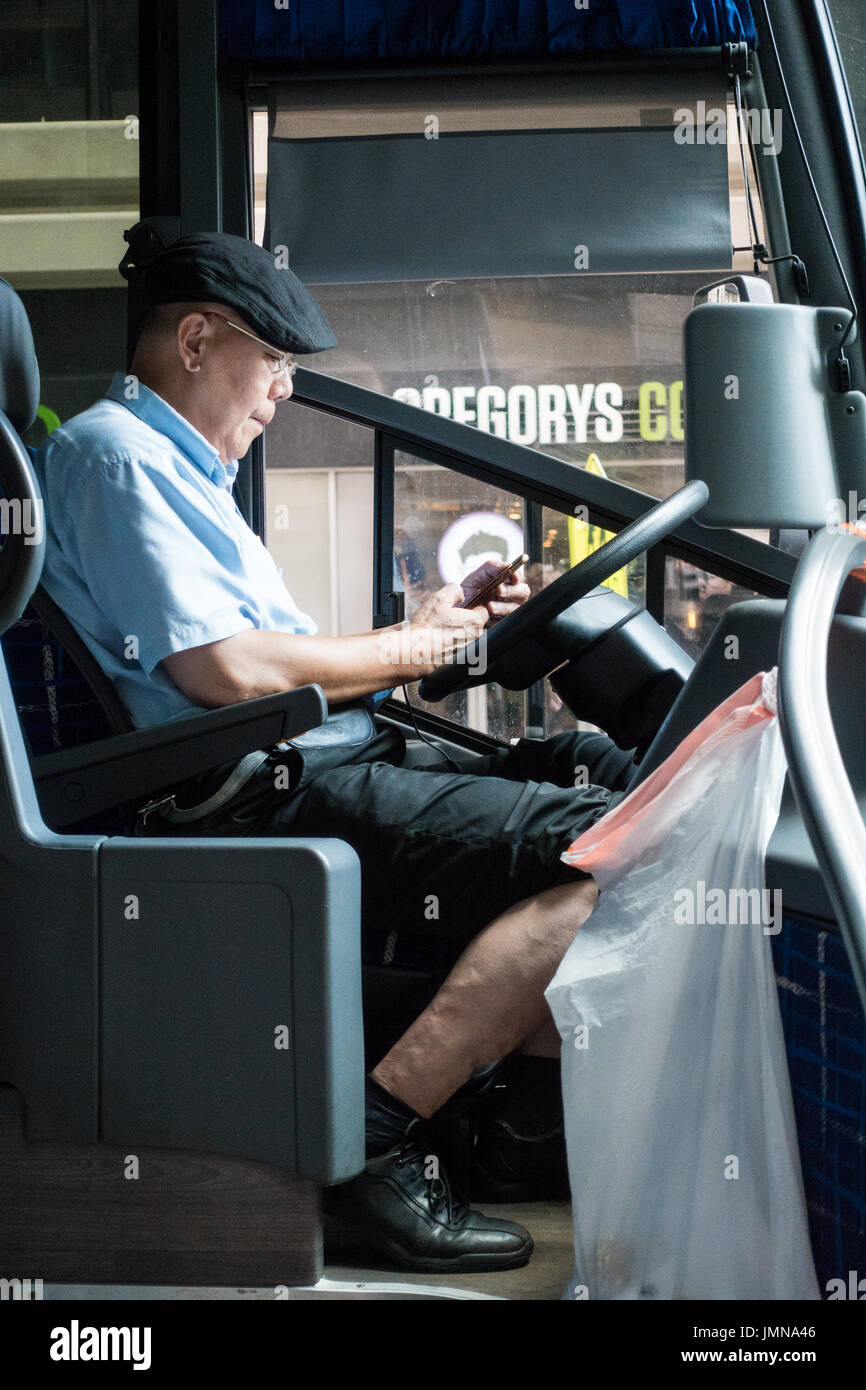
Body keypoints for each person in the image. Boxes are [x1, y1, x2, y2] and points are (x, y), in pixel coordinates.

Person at [30, 228, 637, 1275]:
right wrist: (412, 647)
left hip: (307, 756)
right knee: (615, 844)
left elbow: (273, 660)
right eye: (271, 364)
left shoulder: (172, 466)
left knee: (608, 775)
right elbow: (225, 676)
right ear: (193, 338)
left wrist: (427, 624)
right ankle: (374, 1144)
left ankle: (503, 1132)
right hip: (251, 793)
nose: (280, 394)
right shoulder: (115, 457)